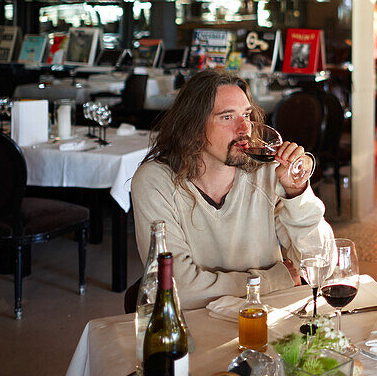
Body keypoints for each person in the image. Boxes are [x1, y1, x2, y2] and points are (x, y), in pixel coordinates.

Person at [131, 69, 334, 308]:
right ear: (193, 127)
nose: (244, 129)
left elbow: (321, 264)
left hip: (267, 322)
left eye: (246, 115)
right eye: (227, 117)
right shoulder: (155, 181)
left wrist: (298, 194)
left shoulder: (265, 173)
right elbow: (177, 290)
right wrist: (276, 279)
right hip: (195, 331)